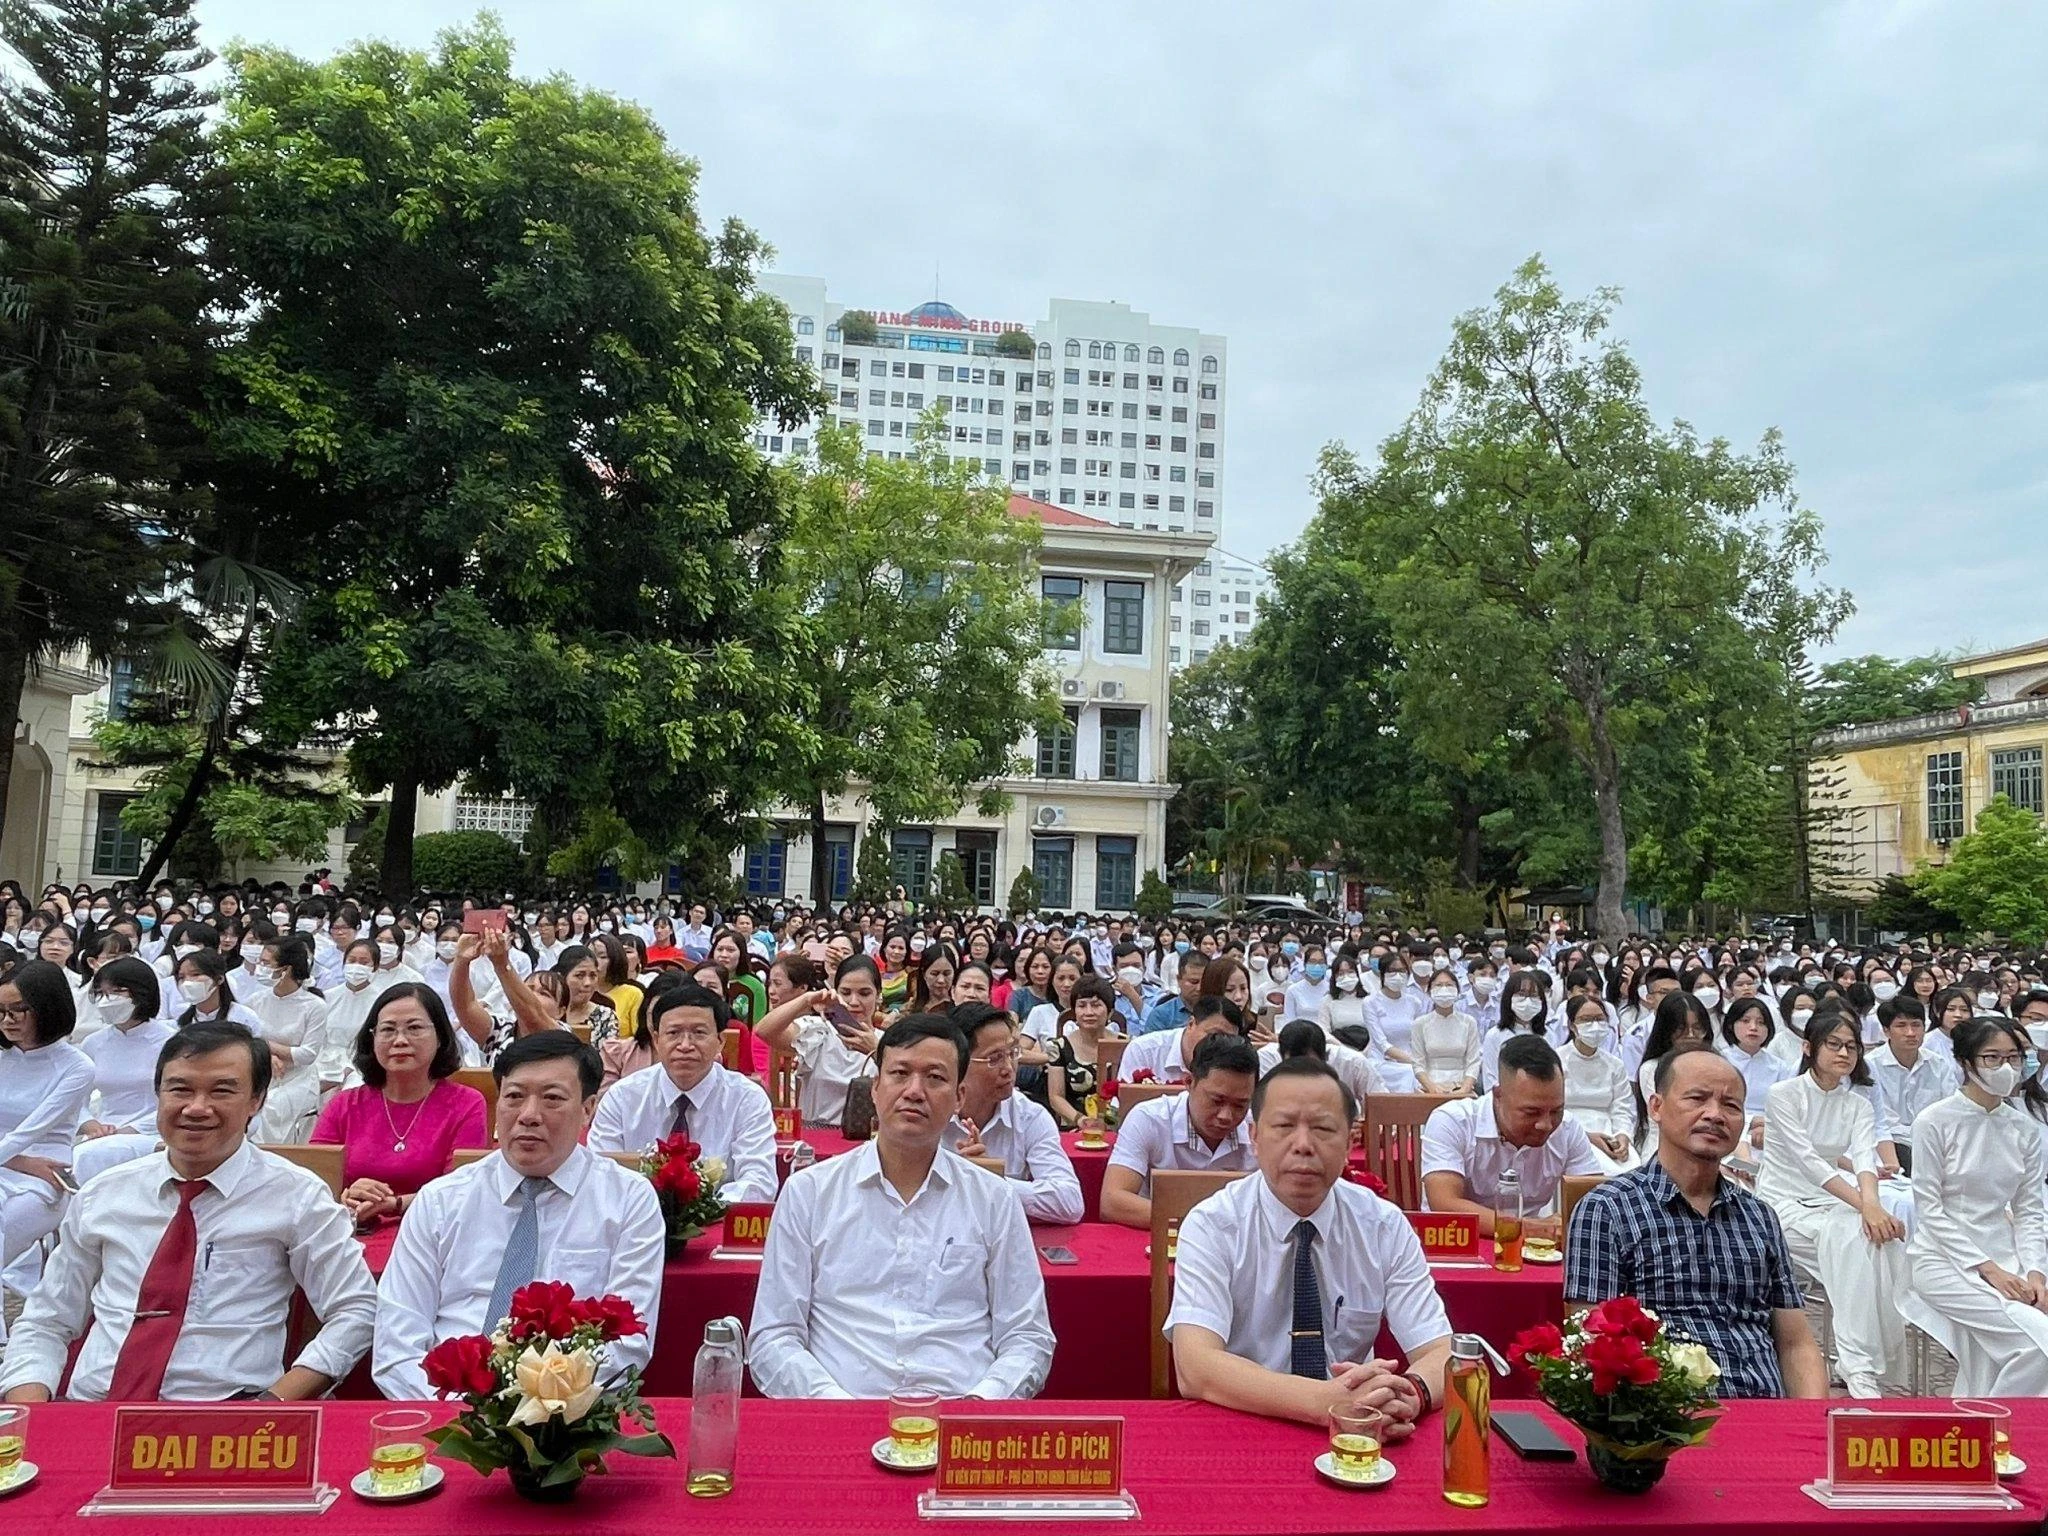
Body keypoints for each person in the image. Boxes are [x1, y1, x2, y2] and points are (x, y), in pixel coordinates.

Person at [0, 1021, 377, 1401]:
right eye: (180, 1089)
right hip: (95, 1407)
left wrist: (276, 1401)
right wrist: (29, 1412)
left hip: (227, 1414)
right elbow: (46, 1320)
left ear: (257, 1100)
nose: (196, 1108)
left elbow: (355, 1309)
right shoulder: (103, 1194)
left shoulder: (297, 1196)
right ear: (158, 1094)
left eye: (221, 1091)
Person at [750, 1014, 1055, 1398]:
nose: (914, 1091)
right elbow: (774, 1335)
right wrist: (835, 1406)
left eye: (935, 1078)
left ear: (959, 1097)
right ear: (875, 1088)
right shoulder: (809, 1193)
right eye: (899, 1074)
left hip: (960, 1408)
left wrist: (979, 1404)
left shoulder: (994, 1198)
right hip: (839, 1407)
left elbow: (1027, 1335)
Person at [371, 1031, 664, 1399]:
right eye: (514, 1097)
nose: (529, 1116)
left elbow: (626, 1344)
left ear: (588, 1109)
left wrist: (538, 1407)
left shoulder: (628, 1199)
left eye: (552, 1099)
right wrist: (459, 1411)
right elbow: (397, 1347)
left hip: (566, 1413)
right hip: (445, 1407)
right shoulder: (441, 1200)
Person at [1166, 1057, 1452, 1429]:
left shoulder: (1383, 1225)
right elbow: (1195, 1367)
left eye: (1322, 1128)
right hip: (1246, 1423)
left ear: (1349, 1142)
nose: (1303, 1145)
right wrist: (1324, 1403)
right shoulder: (1213, 1224)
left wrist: (1409, 1394)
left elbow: (1443, 1350)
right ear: (1254, 1137)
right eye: (1284, 1126)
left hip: (1359, 1432)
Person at [1566, 1048, 1827, 1399]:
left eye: (1731, 1105)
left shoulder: (1760, 1217)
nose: (1715, 1115)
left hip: (1765, 1409)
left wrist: (1812, 1420)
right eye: (1697, 1099)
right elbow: (1592, 1340)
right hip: (1669, 1414)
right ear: (1656, 1107)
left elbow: (1796, 1344)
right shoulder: (1607, 1209)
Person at [1756, 1011, 1910, 1398]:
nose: (1844, 1053)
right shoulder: (1784, 1094)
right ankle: (1859, 1366)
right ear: (1809, 1048)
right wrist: (1866, 1208)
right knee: (1852, 1243)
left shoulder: (1857, 1104)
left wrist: (1873, 1207)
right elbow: (1809, 1162)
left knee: (1879, 1241)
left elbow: (1864, 1159)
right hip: (1782, 1201)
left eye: (1852, 1047)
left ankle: (1860, 1361)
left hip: (1832, 1200)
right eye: (1834, 1044)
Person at [1907, 1018, 2048, 1396]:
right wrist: (1988, 1269)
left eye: (2014, 1058)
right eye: (1992, 1058)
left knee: (2005, 1350)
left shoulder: (2023, 1129)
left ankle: (1974, 1414)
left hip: (2008, 1256)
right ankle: (1999, 1424)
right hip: (1943, 1259)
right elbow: (1930, 1210)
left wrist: (2036, 1272)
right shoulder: (1934, 1122)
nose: (2006, 1068)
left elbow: (2029, 1209)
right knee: (2035, 1347)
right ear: (1965, 1062)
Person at [309, 984, 488, 1227]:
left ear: (440, 1037)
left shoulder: (466, 1104)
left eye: (414, 1028)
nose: (400, 1040)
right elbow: (316, 1181)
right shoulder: (344, 1104)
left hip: (433, 1231)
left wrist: (395, 1204)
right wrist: (345, 1195)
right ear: (372, 1038)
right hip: (351, 1230)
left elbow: (461, 1190)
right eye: (388, 1030)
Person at [588, 981, 777, 1205]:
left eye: (699, 1033)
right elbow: (598, 1174)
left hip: (717, 1219)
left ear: (720, 1041)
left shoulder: (747, 1099)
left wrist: (700, 1209)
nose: (685, 1045)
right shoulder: (622, 1097)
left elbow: (759, 1184)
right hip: (633, 1217)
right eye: (674, 1033)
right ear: (656, 1040)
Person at [1420, 1035, 1603, 1240]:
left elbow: (1594, 1199)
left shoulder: (1568, 1128)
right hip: (1459, 1241)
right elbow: (1445, 1204)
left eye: (1556, 1111)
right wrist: (1530, 1228)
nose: (1546, 1124)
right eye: (1531, 1112)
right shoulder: (1452, 1121)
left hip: (1532, 1247)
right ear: (1498, 1095)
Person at [941, 1003, 1083, 1225]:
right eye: (995, 1058)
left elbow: (1070, 1202)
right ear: (958, 1063)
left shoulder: (1030, 1116)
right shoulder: (929, 1112)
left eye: (1013, 1053)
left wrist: (991, 1180)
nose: (1009, 1068)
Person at [1100, 1032, 1258, 1229]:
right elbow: (1112, 1201)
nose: (1226, 1116)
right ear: (1189, 1082)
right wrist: (1201, 1227)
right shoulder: (1149, 1119)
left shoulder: (1260, 1130)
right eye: (1217, 1101)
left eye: (1240, 1105)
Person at [0, 960, 95, 1280]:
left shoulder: (76, 1066)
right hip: (18, 1163)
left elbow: (29, 1131)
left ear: (46, 1008)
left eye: (18, 1010)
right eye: (0, 1011)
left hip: (45, 1173)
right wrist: (19, 1162)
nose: (7, 1020)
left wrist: (18, 1162)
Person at [71, 958, 178, 1184]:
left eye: (117, 992)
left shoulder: (172, 1042)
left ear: (141, 993)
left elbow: (179, 1099)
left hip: (158, 1130)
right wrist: (90, 1124)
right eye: (101, 993)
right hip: (105, 1131)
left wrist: (132, 1129)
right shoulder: (93, 1043)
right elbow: (76, 1098)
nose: (107, 1000)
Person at [755, 954, 884, 1128]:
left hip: (868, 1135)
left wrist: (876, 1050)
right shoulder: (818, 1031)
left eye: (864, 993)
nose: (854, 1002)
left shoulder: (887, 1042)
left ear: (878, 995)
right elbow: (763, 1031)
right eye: (846, 993)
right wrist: (807, 999)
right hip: (814, 1131)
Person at [1868, 995, 1958, 1177]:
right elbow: (1881, 1121)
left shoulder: (1938, 1064)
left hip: (1936, 1142)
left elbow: (1952, 1108)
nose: (1910, 1033)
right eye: (1901, 1026)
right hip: (1891, 1145)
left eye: (1916, 1025)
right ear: (1886, 1031)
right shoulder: (1870, 1066)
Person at [1557, 991, 1637, 1173]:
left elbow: (1622, 1106)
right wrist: (1587, 1137)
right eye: (1586, 1020)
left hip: (1609, 1131)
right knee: (1601, 1170)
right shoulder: (1557, 1061)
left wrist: (1623, 1135)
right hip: (1570, 1131)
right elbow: (1553, 1109)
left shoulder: (1614, 1064)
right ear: (1572, 1025)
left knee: (1632, 1169)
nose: (1594, 1025)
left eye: (1600, 1019)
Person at [1118, 994, 1246, 1084]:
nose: (1220, 1045)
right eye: (1214, 1035)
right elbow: (1121, 1105)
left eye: (1229, 1040)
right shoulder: (1144, 1050)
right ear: (1191, 1024)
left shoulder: (1233, 1059)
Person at [1411, 970, 1481, 1096]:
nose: (1444, 989)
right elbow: (1418, 1063)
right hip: (1429, 1088)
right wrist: (1432, 1088)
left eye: (1449, 985)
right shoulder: (1420, 1023)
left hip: (1462, 1087)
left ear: (1457, 991)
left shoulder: (1469, 1022)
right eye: (1438, 985)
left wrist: (1464, 1089)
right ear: (1429, 991)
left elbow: (1474, 1061)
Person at [1138, 950, 1206, 1037]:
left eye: (1204, 982)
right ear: (1179, 979)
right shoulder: (1161, 1015)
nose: (1199, 988)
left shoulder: (1218, 1012)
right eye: (1193, 982)